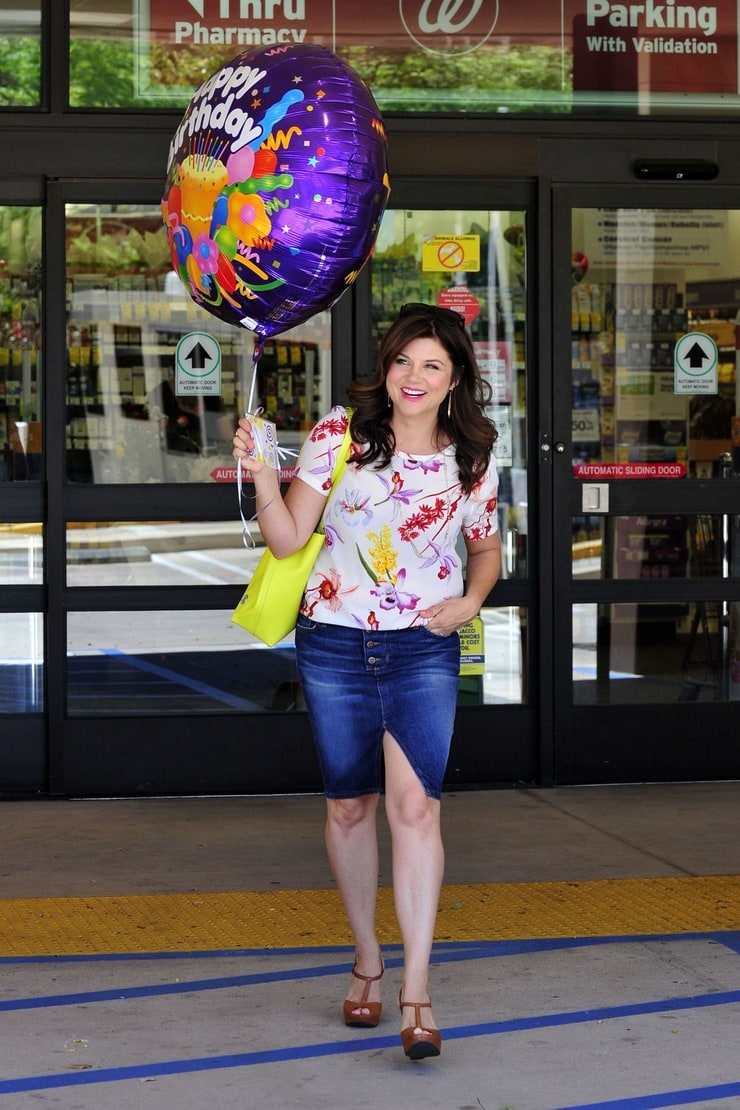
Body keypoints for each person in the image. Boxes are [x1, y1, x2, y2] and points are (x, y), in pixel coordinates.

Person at [232, 302, 501, 1060]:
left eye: (432, 366)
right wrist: (261, 470)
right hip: (334, 643)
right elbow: (287, 537)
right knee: (351, 808)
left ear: (454, 382)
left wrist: (472, 601)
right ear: (386, 367)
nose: (414, 377)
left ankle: (416, 992)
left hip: (423, 647)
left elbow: (486, 549)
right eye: (403, 361)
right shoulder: (339, 435)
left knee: (416, 810)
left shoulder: (473, 456)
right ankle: (366, 961)